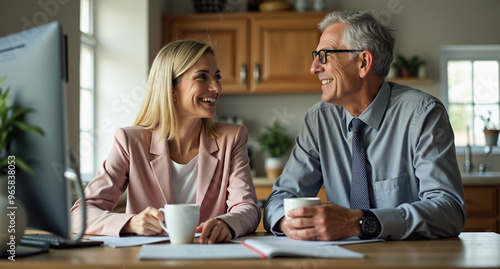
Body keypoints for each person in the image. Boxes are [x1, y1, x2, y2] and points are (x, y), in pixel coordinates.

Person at [263, 10, 466, 241]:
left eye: (324, 55)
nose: (314, 68)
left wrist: (360, 223)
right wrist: (287, 221)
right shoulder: (318, 120)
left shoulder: (423, 114)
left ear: (363, 62)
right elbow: (281, 197)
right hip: (340, 258)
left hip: (408, 259)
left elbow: (450, 211)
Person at [71, 40, 261, 244]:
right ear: (171, 88)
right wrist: (131, 223)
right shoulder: (130, 142)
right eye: (202, 77)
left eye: (216, 77)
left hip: (210, 257)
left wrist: (227, 224)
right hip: (147, 260)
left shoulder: (232, 139)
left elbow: (248, 209)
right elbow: (79, 214)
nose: (217, 87)